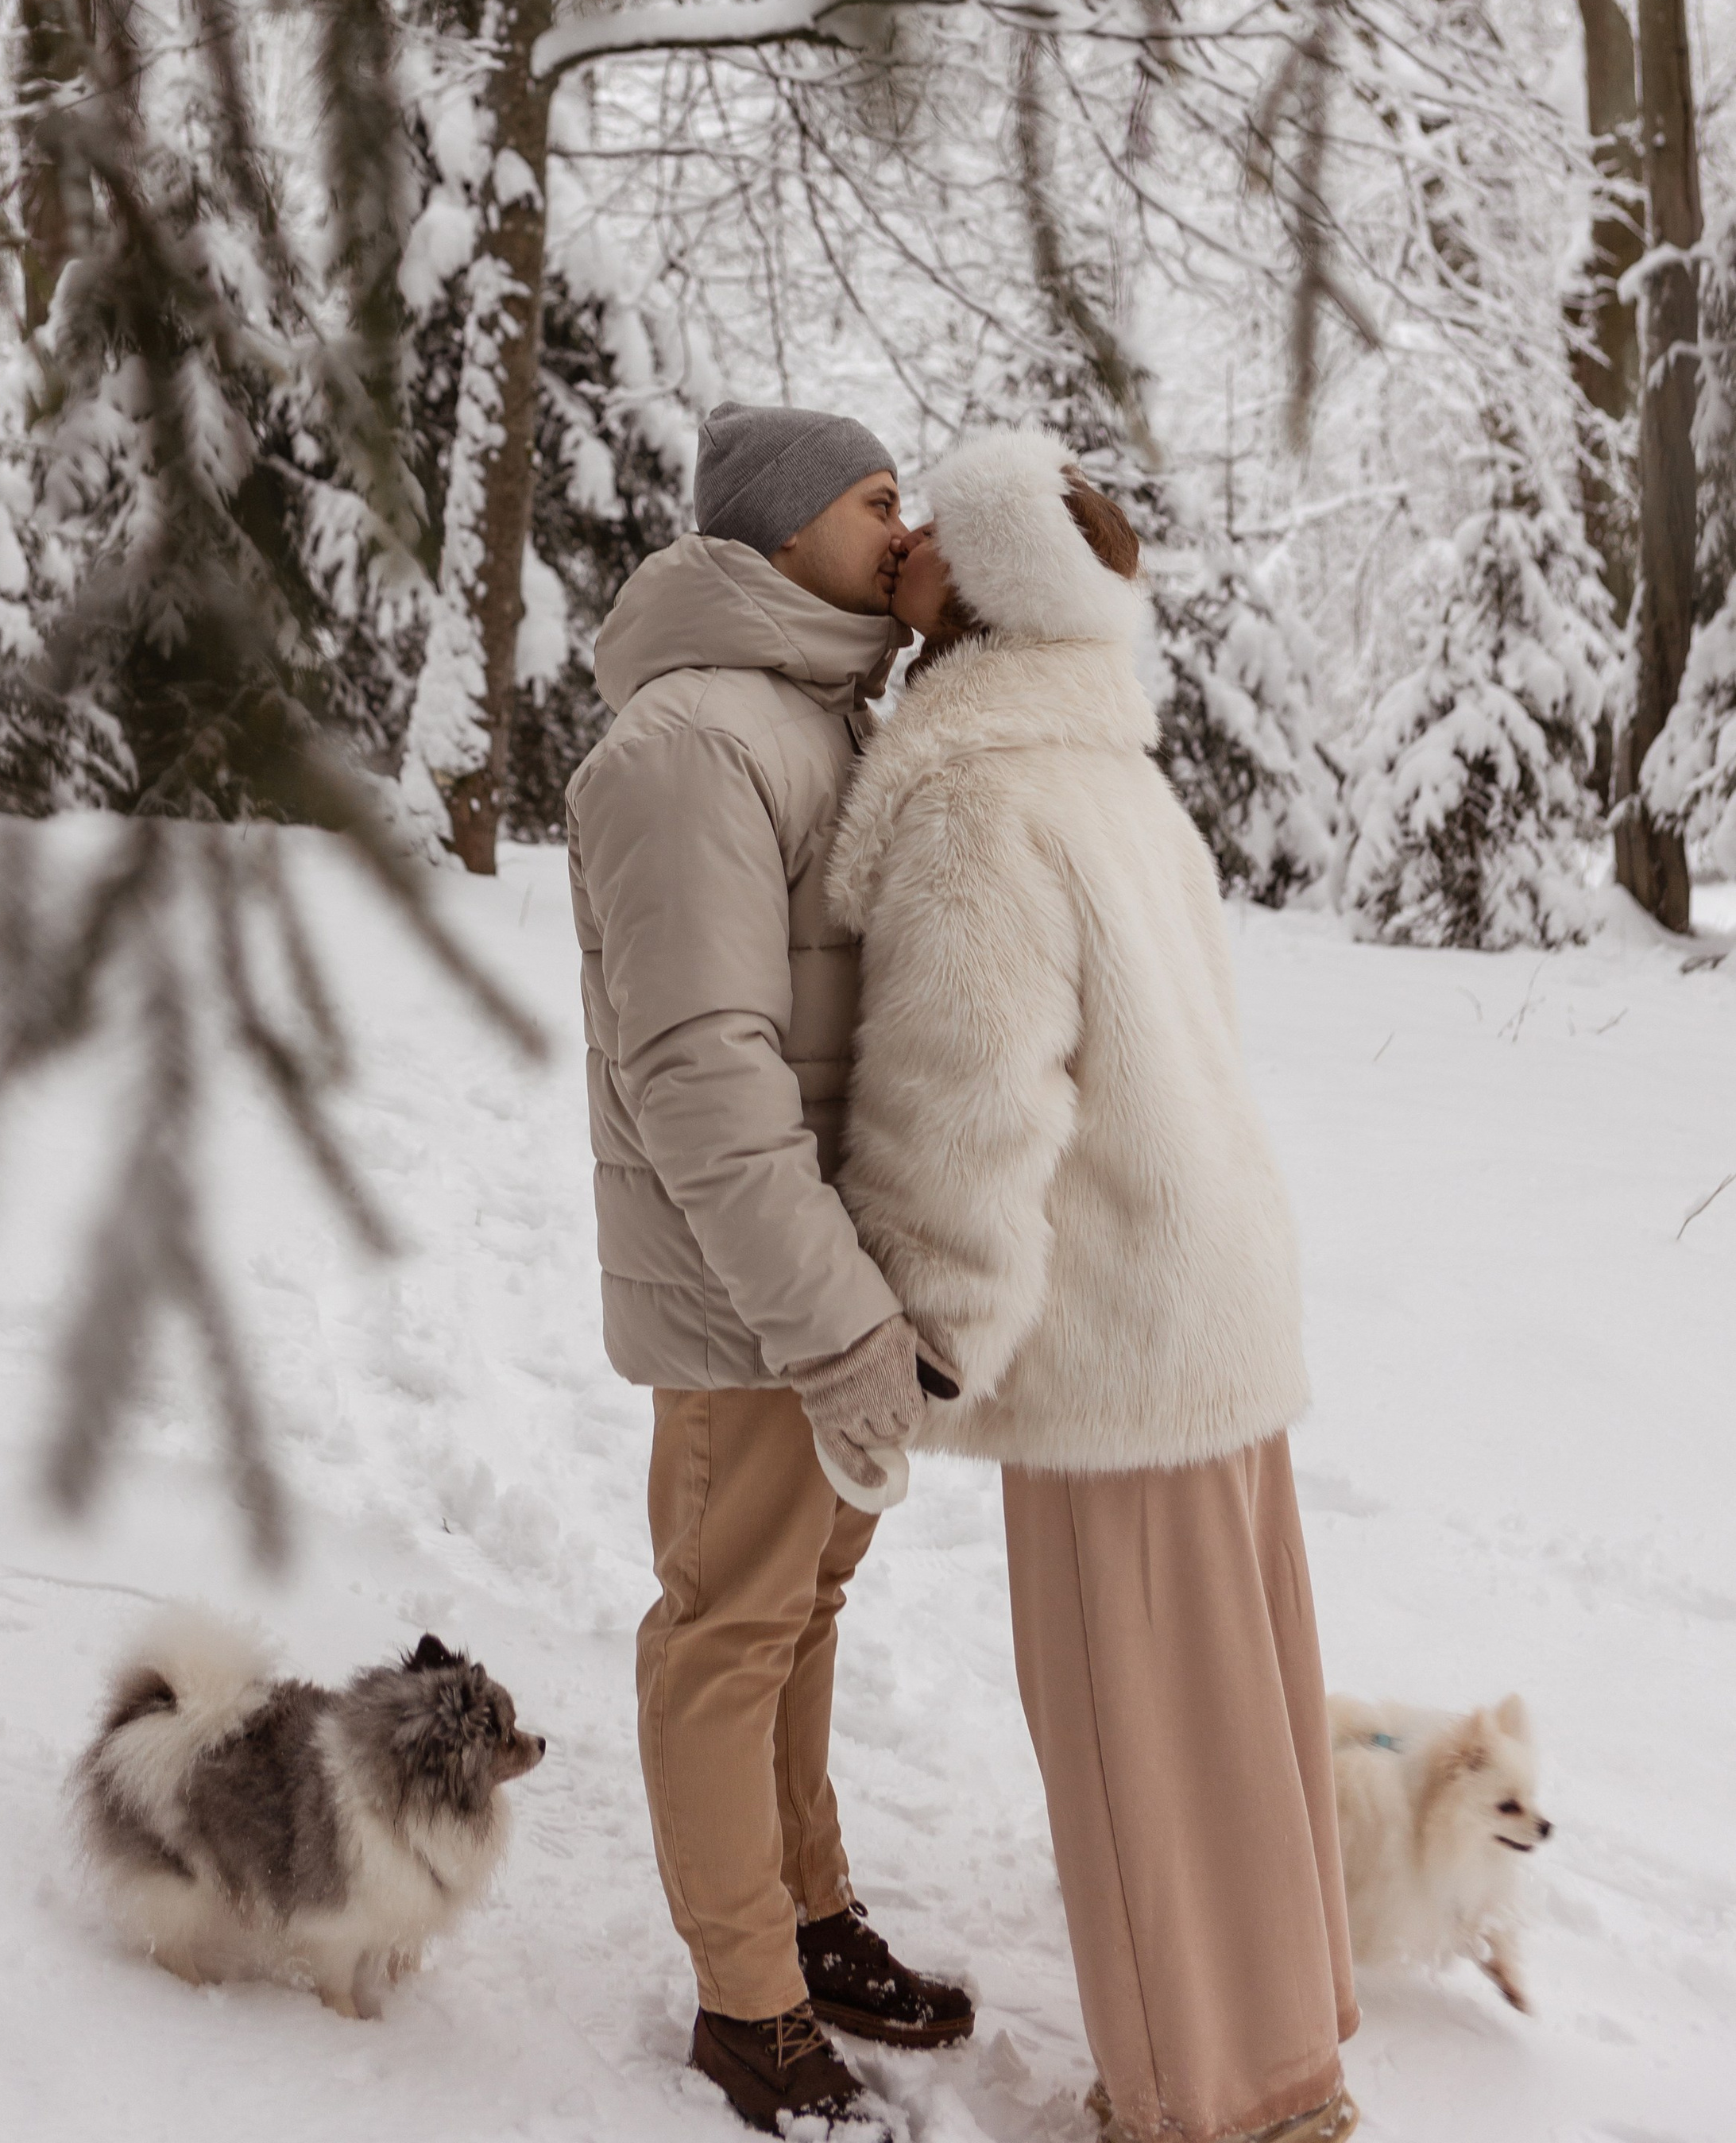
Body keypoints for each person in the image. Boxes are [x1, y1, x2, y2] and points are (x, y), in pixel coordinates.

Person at [825, 424, 1359, 2143]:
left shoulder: (977, 799)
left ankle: (1214, 2098)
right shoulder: (1112, 778)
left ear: (981, 584)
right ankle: (1281, 2034)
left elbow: (963, 1095)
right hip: (1206, 1303)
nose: (898, 539)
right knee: (1235, 1708)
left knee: (1141, 1740)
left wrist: (924, 1338)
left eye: (931, 527)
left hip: (1110, 1331)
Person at [565, 400, 976, 2137]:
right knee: (725, 1633)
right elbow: (701, 1072)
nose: (902, 526)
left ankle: (804, 1923)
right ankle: (746, 2007)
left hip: (834, 1290)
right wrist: (831, 1323)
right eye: (875, 498)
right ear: (779, 526)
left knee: (797, 1619)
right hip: (754, 1299)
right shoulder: (686, 748)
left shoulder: (820, 717)